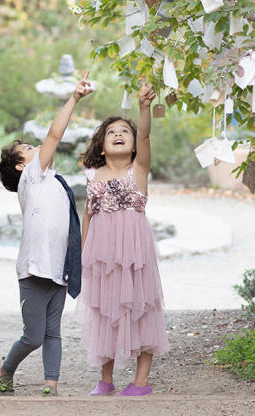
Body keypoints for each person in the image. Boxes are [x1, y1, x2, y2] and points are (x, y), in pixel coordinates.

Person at [0, 73, 94, 397]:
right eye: (28, 149)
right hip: (34, 269)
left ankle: (51, 385)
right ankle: (6, 368)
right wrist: (74, 98)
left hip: (58, 268)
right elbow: (54, 133)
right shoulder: (31, 180)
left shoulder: (55, 179)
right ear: (22, 167)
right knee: (33, 336)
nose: (37, 147)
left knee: (53, 333)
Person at [79, 82, 169, 396]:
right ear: (102, 146)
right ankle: (106, 380)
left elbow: (144, 134)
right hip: (103, 256)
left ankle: (141, 382)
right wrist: (83, 257)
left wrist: (144, 107)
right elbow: (88, 215)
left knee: (142, 308)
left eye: (125, 132)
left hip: (135, 252)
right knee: (105, 309)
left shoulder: (139, 169)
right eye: (112, 132)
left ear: (132, 145)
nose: (119, 134)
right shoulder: (91, 175)